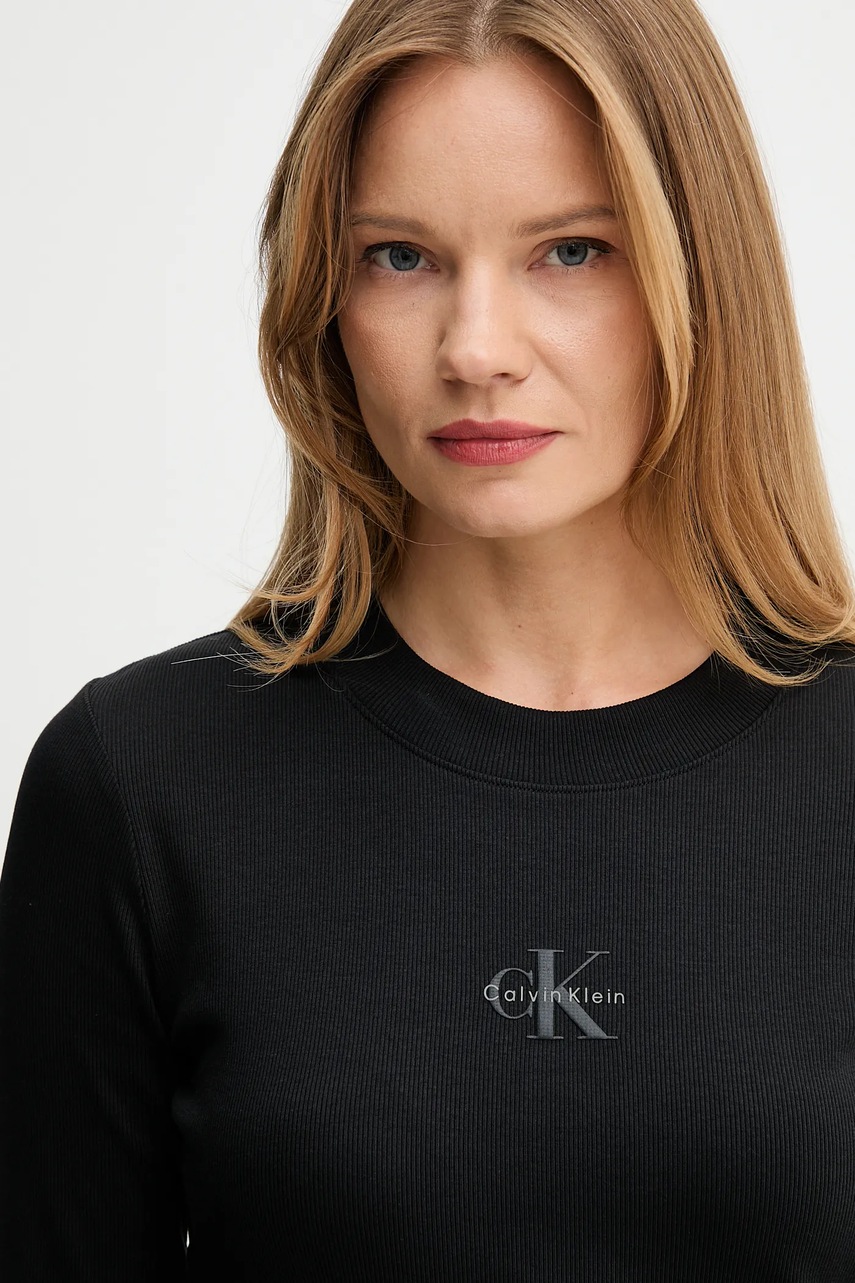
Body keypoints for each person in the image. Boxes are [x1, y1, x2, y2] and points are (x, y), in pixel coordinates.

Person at [1, 0, 854, 1278]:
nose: (476, 350)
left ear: (701, 273)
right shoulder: (138, 782)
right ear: (322, 295)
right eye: (400, 257)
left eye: (571, 251)